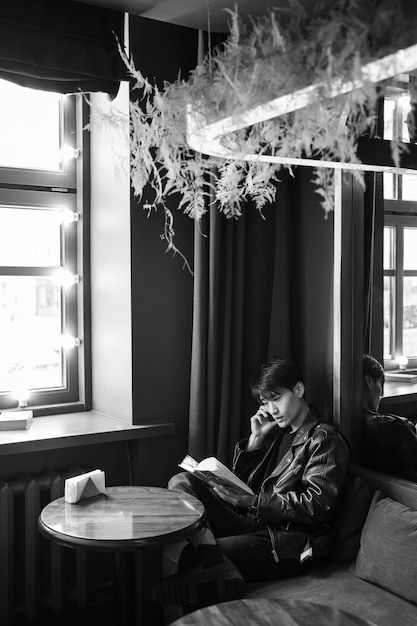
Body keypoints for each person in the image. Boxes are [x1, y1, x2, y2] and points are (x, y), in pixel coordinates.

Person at [152, 357, 350, 609]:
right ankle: (209, 552)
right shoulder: (277, 433)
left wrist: (255, 501)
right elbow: (243, 485)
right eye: (266, 402)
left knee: (193, 557)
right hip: (253, 522)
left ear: (299, 390)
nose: (272, 409)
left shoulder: (325, 439)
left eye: (276, 398)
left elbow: (318, 505)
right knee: (182, 480)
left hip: (288, 540)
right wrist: (255, 442)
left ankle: (210, 558)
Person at [361, 353, 417, 480]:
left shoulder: (340, 424)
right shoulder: (396, 429)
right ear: (369, 381)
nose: (380, 395)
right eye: (380, 385)